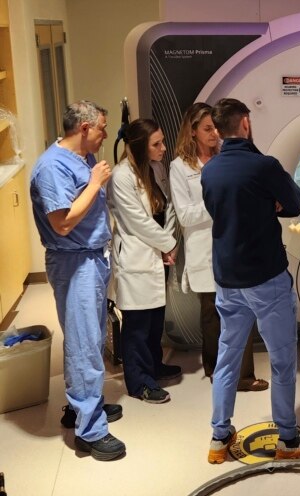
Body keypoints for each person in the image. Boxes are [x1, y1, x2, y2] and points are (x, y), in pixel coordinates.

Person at [201, 98, 300, 464]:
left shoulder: (210, 171)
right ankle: (287, 439)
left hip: (227, 279)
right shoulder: (264, 166)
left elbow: (221, 211)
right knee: (282, 361)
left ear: (219, 128)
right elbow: (294, 202)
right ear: (245, 124)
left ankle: (219, 438)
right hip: (266, 279)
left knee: (227, 359)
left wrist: (258, 205)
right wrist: (268, 204)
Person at [30, 100, 126, 461]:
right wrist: (96, 182)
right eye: (102, 127)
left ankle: (82, 406)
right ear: (84, 128)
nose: (105, 134)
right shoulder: (51, 167)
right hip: (73, 262)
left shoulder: (83, 158)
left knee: (91, 336)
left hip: (92, 258)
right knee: (85, 344)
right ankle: (90, 430)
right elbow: (63, 222)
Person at [169, 102, 268, 391]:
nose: (214, 134)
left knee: (243, 309)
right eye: (207, 129)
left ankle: (244, 376)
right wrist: (219, 203)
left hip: (233, 244)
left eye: (216, 128)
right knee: (212, 315)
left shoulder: (227, 157)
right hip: (203, 248)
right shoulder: (179, 167)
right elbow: (185, 214)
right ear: (193, 131)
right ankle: (216, 371)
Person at [107, 118, 180, 404]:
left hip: (158, 253)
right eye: (157, 144)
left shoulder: (157, 167)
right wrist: (168, 243)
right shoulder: (121, 176)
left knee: (155, 319)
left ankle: (154, 365)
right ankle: (140, 383)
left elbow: (168, 207)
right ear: (139, 146)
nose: (163, 148)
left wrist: (168, 245)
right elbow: (136, 221)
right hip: (137, 255)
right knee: (137, 324)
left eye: (162, 142)